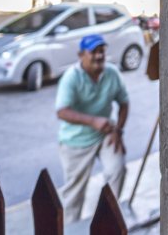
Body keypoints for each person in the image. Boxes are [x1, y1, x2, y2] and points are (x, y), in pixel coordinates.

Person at [55, 34, 129, 222]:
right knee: (74, 193)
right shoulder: (71, 78)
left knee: (117, 169)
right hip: (75, 140)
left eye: (101, 51)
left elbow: (124, 103)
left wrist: (118, 130)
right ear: (81, 55)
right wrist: (93, 121)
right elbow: (62, 112)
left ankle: (107, 220)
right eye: (93, 52)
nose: (98, 56)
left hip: (105, 134)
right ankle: (70, 228)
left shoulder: (112, 73)